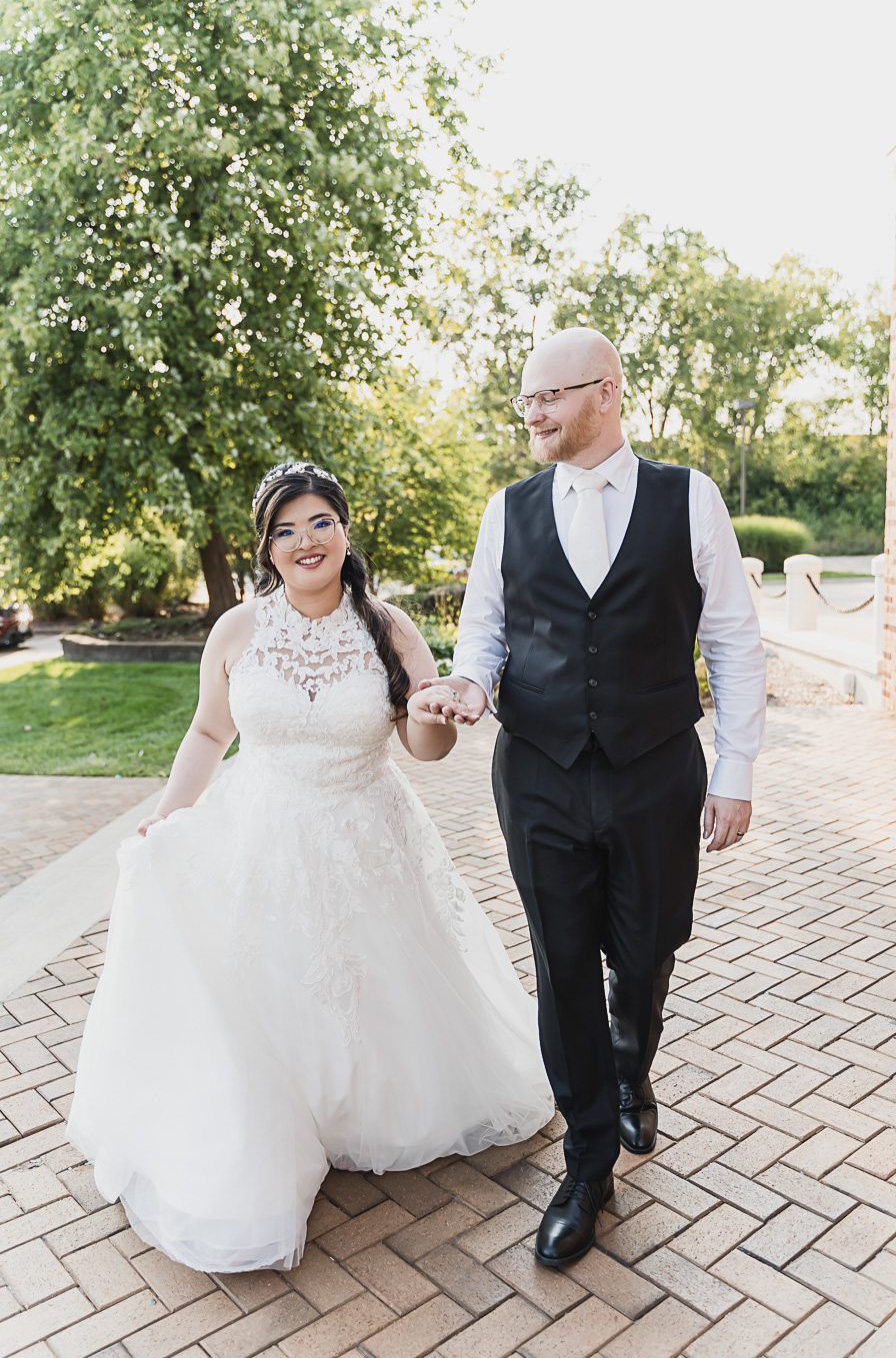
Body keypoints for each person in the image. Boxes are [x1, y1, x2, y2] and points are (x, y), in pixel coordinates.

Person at [68, 461, 553, 1275]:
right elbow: (206, 736)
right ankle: (280, 1119)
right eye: (286, 529)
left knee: (372, 988)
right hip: (260, 834)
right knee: (266, 988)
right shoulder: (237, 630)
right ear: (267, 547)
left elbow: (423, 746)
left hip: (369, 834)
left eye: (319, 522)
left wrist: (436, 713)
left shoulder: (388, 627)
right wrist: (167, 816)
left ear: (344, 530)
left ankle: (360, 1114)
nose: (305, 541)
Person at [422, 327, 767, 1267]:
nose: (531, 415)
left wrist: (735, 771)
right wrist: (470, 689)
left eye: (548, 398)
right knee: (563, 958)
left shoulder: (689, 497)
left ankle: (630, 1062)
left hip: (657, 770)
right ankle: (587, 1164)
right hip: (537, 773)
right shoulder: (509, 509)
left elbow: (735, 641)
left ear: (606, 393)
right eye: (524, 400)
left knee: (647, 945)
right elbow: (485, 633)